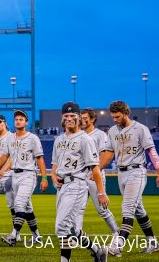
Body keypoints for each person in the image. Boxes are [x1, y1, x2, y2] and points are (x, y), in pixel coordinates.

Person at [99, 101, 159, 256]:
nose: (115, 119)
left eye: (117, 116)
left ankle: (118, 245)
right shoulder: (112, 131)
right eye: (113, 117)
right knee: (138, 210)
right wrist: (97, 168)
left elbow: (151, 151)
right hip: (121, 173)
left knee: (128, 207)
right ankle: (153, 242)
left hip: (137, 171)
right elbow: (109, 153)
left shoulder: (140, 129)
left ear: (126, 113)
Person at [52, 102, 109, 262]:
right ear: (62, 118)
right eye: (66, 116)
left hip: (77, 185)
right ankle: (98, 250)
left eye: (73, 116)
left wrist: (101, 192)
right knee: (73, 229)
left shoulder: (85, 139)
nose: (69, 118)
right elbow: (55, 163)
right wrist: (53, 175)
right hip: (62, 187)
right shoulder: (58, 139)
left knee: (61, 227)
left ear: (78, 118)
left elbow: (95, 168)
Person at [0, 109, 48, 246]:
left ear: (26, 122)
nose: (18, 121)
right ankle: (37, 236)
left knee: (19, 204)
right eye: (16, 119)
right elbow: (4, 157)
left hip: (28, 174)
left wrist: (45, 178)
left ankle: (13, 235)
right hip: (14, 175)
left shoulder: (33, 138)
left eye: (21, 119)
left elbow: (40, 159)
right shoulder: (10, 138)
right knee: (27, 208)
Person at [80, 108, 119, 236]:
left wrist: (98, 170)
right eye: (82, 118)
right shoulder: (79, 135)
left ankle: (116, 233)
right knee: (78, 208)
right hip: (81, 176)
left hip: (94, 175)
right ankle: (77, 234)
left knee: (102, 209)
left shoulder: (100, 135)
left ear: (92, 119)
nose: (83, 120)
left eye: (86, 118)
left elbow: (104, 155)